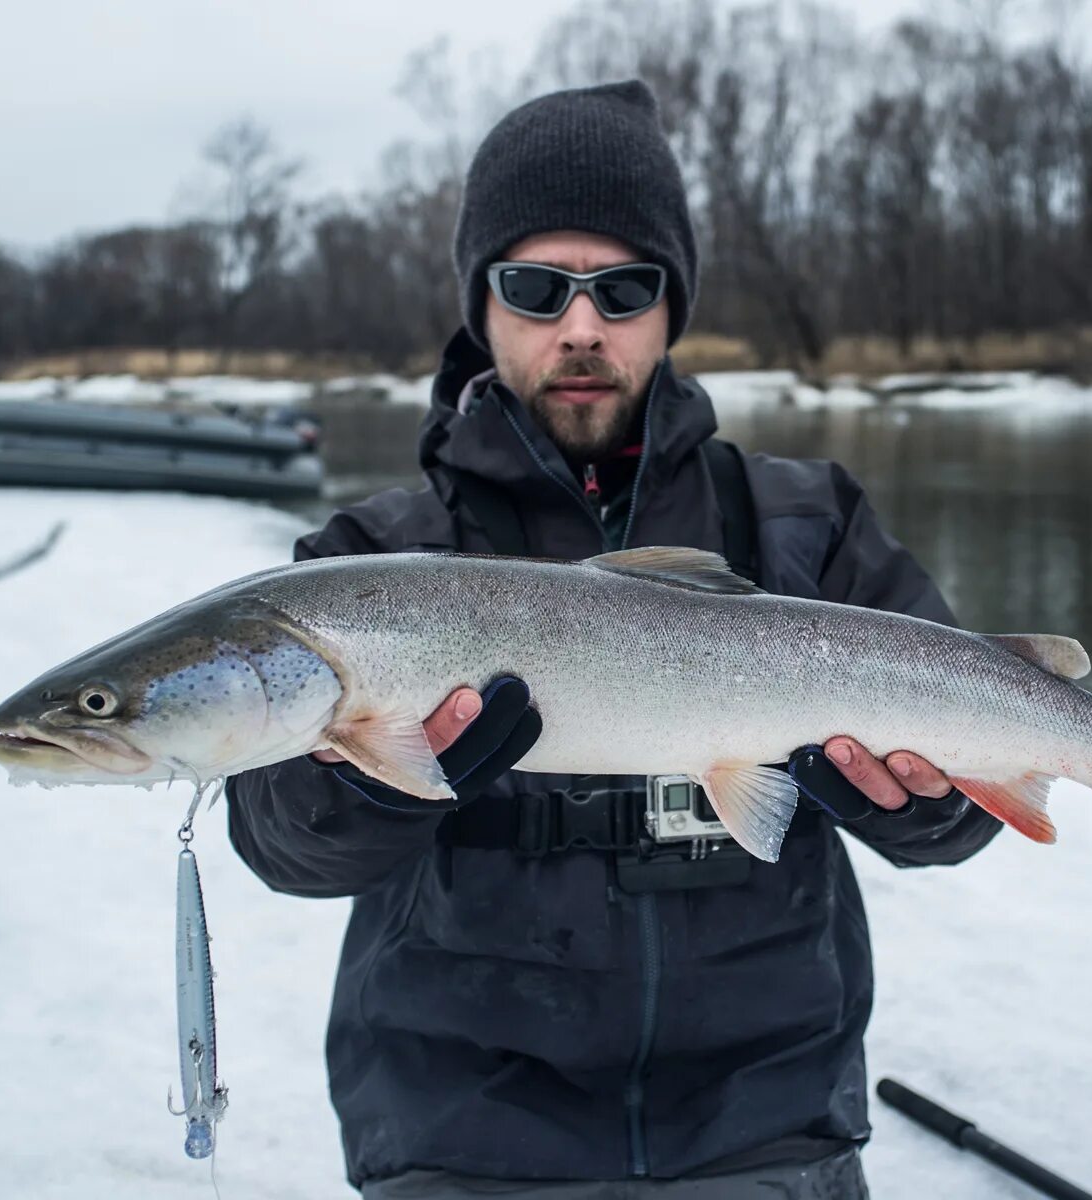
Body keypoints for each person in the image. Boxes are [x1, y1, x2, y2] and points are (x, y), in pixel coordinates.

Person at [227, 80, 1000, 1199]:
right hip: (461, 1132)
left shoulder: (802, 523)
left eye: (621, 289)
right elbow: (278, 844)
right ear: (480, 307)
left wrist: (927, 804)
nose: (580, 327)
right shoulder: (370, 557)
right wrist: (374, 788)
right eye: (536, 289)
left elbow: (962, 821)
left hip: (765, 1125)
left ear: (669, 307)